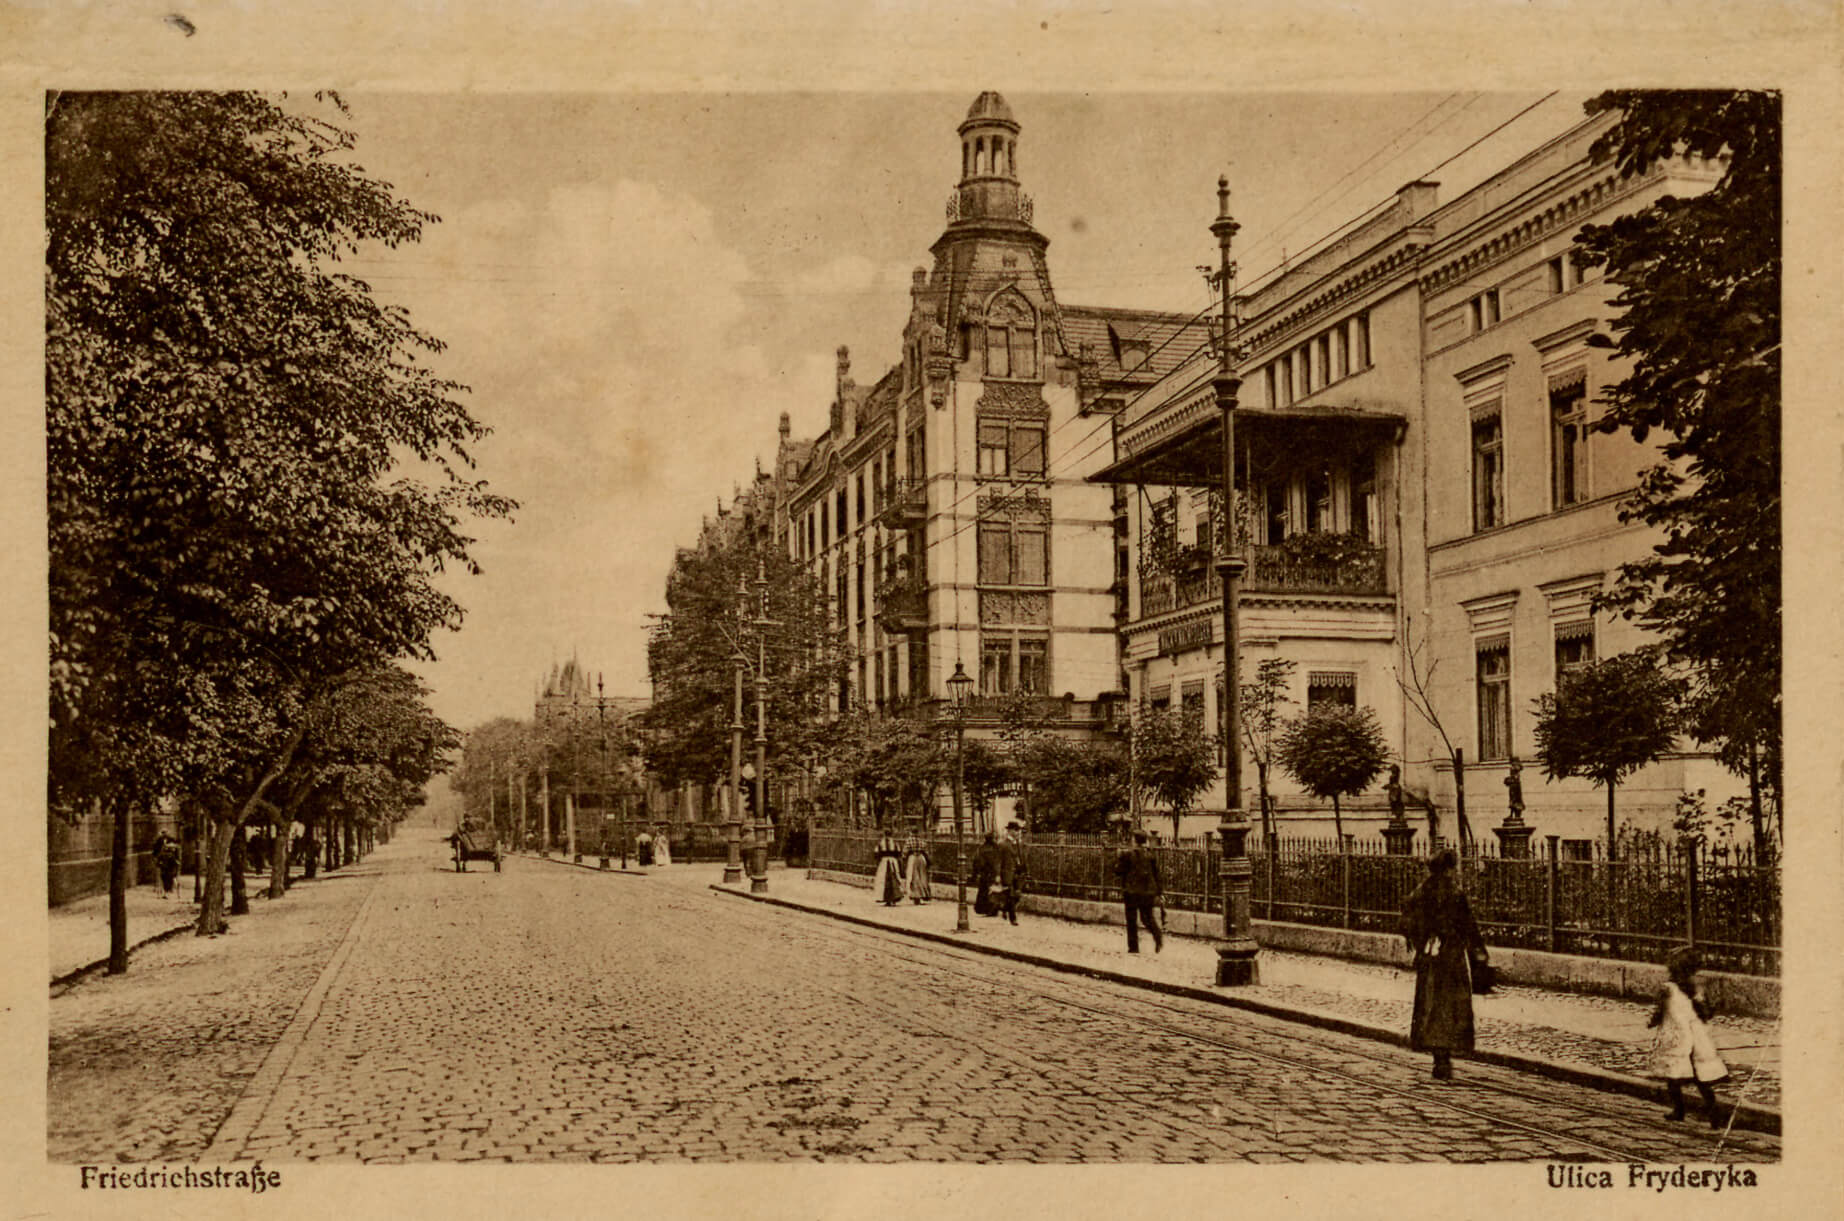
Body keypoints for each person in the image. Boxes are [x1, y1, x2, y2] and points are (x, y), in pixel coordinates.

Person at [1401, 849, 1488, 1081]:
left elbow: (1406, 921)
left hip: (1430, 958)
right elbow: (1468, 926)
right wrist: (1478, 952)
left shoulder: (1420, 893)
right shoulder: (1454, 894)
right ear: (1448, 869)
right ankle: (1444, 1055)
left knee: (1431, 1004)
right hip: (1451, 959)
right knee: (1451, 1006)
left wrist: (1423, 941)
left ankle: (1438, 1056)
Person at [1648, 946, 1729, 1128]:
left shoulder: (1667, 988)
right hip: (1695, 1037)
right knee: (1701, 1078)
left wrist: (1652, 1022)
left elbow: (1659, 1011)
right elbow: (1705, 1012)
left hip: (1677, 1037)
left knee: (1673, 1076)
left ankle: (1679, 1110)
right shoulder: (1695, 989)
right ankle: (1714, 1113)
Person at [1115, 830, 1164, 953]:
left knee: (1131, 920)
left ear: (1134, 840)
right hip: (1147, 892)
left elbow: (1118, 871)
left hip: (1131, 892)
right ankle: (1158, 936)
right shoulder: (1150, 854)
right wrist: (1159, 891)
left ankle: (1133, 947)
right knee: (1147, 918)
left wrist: (1118, 858)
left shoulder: (1128, 854)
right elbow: (1157, 874)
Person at [993, 823, 1026, 926]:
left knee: (1017, 895)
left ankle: (1003, 908)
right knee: (1011, 895)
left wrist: (1025, 870)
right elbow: (997, 861)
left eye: (1018, 830)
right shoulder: (1002, 844)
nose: (1017, 832)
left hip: (1018, 873)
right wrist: (997, 875)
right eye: (1016, 830)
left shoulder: (1019, 844)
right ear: (1010, 831)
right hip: (1007, 873)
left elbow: (1022, 858)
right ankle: (1013, 918)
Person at [871, 830, 905, 906]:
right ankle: (894, 898)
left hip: (884, 862)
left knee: (883, 879)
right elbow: (898, 853)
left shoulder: (881, 843)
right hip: (893, 861)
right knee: (895, 877)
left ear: (884, 834)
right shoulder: (895, 843)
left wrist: (879, 860)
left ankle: (887, 899)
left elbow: (876, 854)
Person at [972, 832, 999, 916]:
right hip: (993, 872)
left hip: (984, 873)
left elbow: (977, 861)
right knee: (993, 891)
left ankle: (983, 909)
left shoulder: (981, 848)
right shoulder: (996, 847)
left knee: (983, 890)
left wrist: (975, 873)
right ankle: (993, 909)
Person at [903, 834, 932, 904]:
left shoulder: (909, 840)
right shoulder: (922, 840)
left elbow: (905, 852)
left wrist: (904, 858)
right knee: (923, 876)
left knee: (913, 876)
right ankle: (924, 894)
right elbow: (926, 851)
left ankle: (916, 895)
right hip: (921, 858)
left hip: (913, 857)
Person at [153, 833, 181, 899]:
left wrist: (159, 864)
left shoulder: (164, 854)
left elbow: (158, 861)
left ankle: (165, 893)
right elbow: (176, 862)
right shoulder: (170, 855)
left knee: (166, 881)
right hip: (169, 871)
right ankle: (172, 893)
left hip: (166, 870)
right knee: (170, 880)